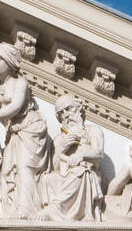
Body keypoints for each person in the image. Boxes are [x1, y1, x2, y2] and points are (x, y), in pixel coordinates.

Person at [0, 42, 48, 218]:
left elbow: (15, 107)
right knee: (5, 173)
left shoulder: (20, 82)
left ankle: (27, 209)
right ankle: (12, 209)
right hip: (13, 133)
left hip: (30, 129)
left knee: (24, 167)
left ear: (8, 62)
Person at [42, 93, 105, 221]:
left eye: (69, 108)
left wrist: (81, 155)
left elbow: (98, 154)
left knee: (79, 172)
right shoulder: (60, 139)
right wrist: (62, 148)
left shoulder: (93, 130)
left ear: (79, 109)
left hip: (87, 173)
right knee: (47, 178)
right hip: (65, 176)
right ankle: (56, 211)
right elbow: (55, 167)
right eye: (61, 112)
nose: (66, 114)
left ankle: (55, 209)